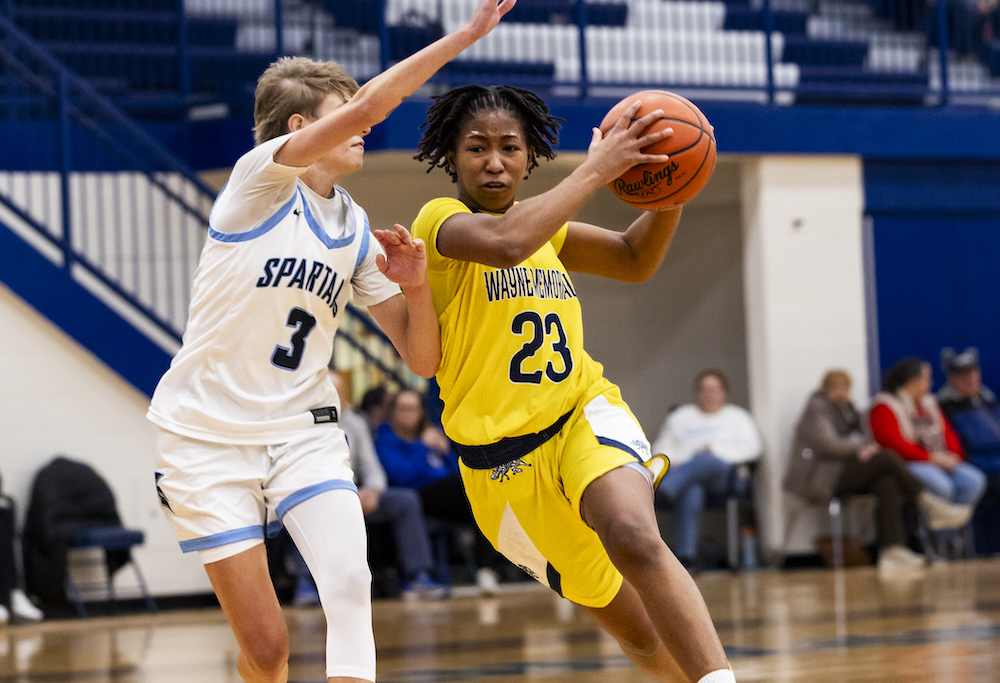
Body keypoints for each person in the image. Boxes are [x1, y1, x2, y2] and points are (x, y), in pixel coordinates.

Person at [145, 3, 516, 681]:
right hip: (206, 437)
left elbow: (422, 359)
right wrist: (462, 38)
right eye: (345, 114)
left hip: (302, 429)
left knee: (349, 584)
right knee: (267, 649)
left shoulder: (351, 225)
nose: (364, 127)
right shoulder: (256, 183)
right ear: (301, 128)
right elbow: (376, 102)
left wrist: (417, 287)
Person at [410, 85, 732, 683]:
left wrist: (672, 188)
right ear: (451, 158)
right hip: (499, 473)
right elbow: (506, 245)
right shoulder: (442, 224)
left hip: (580, 414)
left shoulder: (548, 231)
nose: (495, 161)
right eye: (477, 148)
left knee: (633, 534)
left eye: (510, 147)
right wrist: (597, 168)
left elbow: (635, 260)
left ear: (530, 157)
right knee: (637, 633)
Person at [784, 370, 973, 572]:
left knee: (886, 481)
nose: (842, 392)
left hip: (841, 471)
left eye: (846, 387)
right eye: (837, 387)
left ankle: (894, 551)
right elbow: (829, 444)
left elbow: (867, 436)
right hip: (819, 477)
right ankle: (929, 503)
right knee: (885, 458)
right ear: (826, 388)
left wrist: (863, 437)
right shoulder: (817, 408)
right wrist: (862, 447)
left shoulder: (849, 410)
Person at [290, 372, 447, 605]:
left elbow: (371, 464)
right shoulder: (299, 424)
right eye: (328, 391)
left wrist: (373, 489)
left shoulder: (355, 423)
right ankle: (306, 583)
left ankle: (418, 576)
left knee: (406, 500)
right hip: (318, 496)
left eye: (339, 392)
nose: (334, 397)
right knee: (300, 506)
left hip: (356, 495)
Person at [374, 388, 504, 593]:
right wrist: (422, 447)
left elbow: (455, 469)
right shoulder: (386, 438)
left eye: (414, 409)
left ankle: (486, 569)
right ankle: (485, 568)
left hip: (448, 496)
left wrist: (445, 450)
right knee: (469, 487)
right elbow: (400, 475)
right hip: (416, 495)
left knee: (482, 500)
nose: (409, 414)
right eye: (404, 409)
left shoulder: (431, 433)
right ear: (393, 411)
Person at [651, 370, 762, 570]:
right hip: (686, 477)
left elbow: (752, 450)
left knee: (708, 459)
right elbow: (660, 449)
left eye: (714, 389)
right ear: (697, 393)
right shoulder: (681, 417)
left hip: (723, 478)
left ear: (723, 392)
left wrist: (713, 450)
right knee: (693, 491)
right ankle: (687, 557)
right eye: (704, 389)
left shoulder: (738, 418)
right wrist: (684, 460)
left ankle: (665, 490)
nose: (709, 394)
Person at [870, 358, 988, 514]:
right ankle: (933, 533)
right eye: (927, 378)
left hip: (939, 459)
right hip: (909, 463)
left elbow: (948, 434)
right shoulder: (886, 405)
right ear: (913, 381)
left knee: (973, 481)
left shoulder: (929, 403)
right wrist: (931, 458)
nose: (931, 383)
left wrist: (953, 456)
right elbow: (893, 444)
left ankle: (951, 529)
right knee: (942, 486)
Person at [937, 348, 1000, 479]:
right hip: (981, 468)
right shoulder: (946, 407)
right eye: (963, 375)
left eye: (973, 372)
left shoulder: (988, 399)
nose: (970, 379)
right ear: (951, 378)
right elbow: (967, 453)